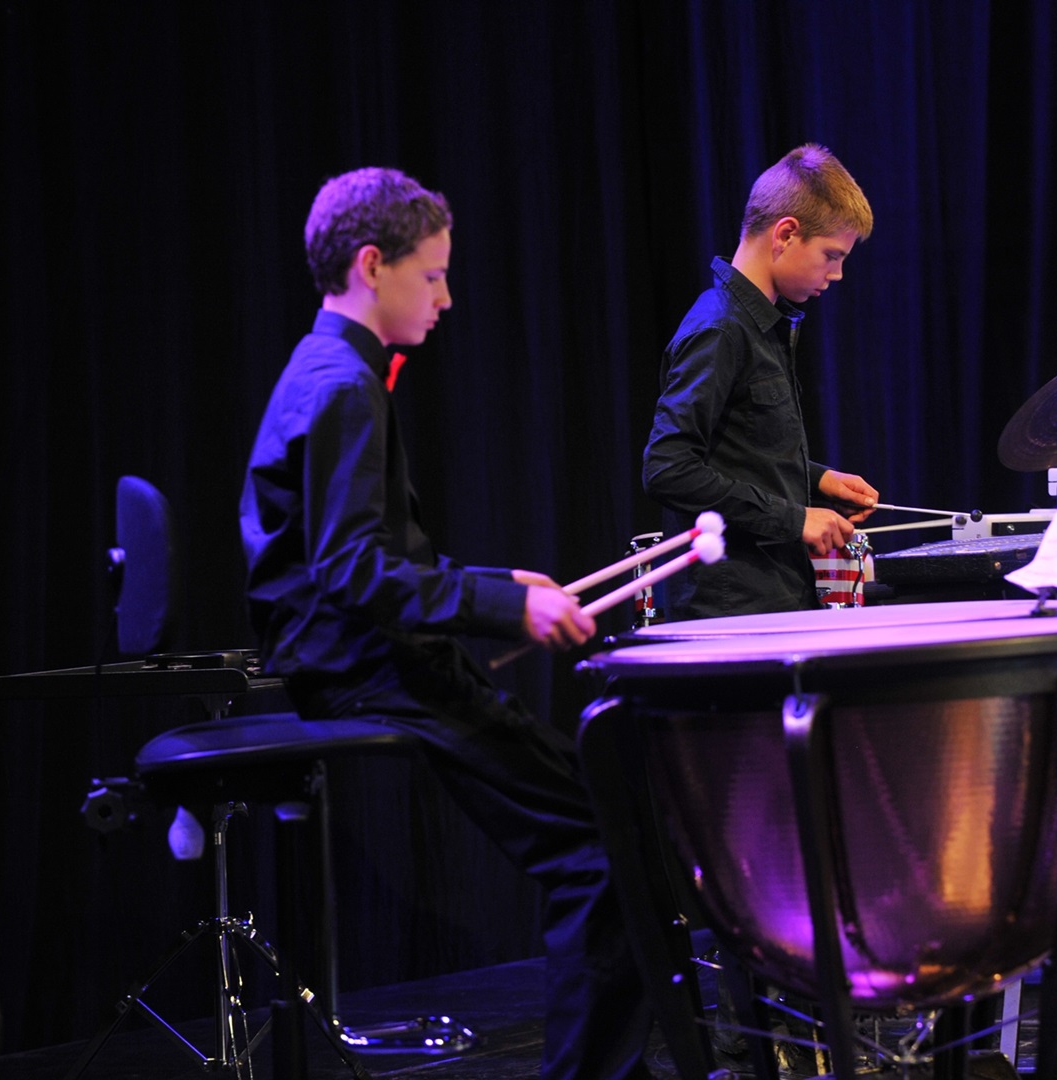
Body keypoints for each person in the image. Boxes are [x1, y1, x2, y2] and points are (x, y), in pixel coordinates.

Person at [239, 167, 650, 1080]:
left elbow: (363, 558)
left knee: (608, 833)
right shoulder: (343, 385)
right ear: (371, 265)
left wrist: (500, 584)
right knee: (605, 852)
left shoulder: (325, 369)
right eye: (432, 275)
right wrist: (505, 608)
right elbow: (352, 572)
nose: (447, 297)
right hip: (374, 670)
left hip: (368, 657)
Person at [643, 143, 880, 620]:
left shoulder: (759, 325)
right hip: (732, 607)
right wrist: (795, 518)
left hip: (772, 591)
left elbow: (739, 455)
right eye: (831, 255)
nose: (836, 274)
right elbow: (668, 468)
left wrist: (819, 480)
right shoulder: (720, 329)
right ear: (786, 234)